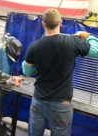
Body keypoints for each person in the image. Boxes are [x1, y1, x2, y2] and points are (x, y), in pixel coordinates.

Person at [22, 8, 98, 136]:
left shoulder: (34, 46)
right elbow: (95, 51)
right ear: (60, 22)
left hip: (38, 101)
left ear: (43, 24)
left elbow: (28, 71)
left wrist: (34, 63)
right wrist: (89, 36)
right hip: (61, 105)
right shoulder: (72, 42)